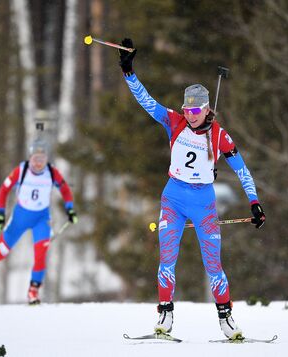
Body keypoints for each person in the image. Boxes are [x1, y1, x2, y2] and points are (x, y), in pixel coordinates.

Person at [118, 38, 266, 339]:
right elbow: (146, 101)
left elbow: (242, 170)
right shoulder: (173, 121)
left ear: (206, 108)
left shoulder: (219, 136)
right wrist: (128, 71)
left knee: (213, 264)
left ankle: (226, 318)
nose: (190, 115)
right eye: (187, 109)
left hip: (204, 203)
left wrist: (254, 202)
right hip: (173, 198)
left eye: (195, 110)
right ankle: (165, 315)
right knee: (167, 259)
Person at [0, 139, 78, 304]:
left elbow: (65, 190)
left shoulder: (52, 173)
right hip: (20, 218)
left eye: (42, 159)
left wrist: (70, 208)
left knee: (40, 255)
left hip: (41, 219)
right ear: (30, 157)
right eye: (35, 159)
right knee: (2, 251)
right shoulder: (21, 171)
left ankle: (33, 291)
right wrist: (0, 214)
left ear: (47, 159)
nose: (38, 163)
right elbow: (3, 190)